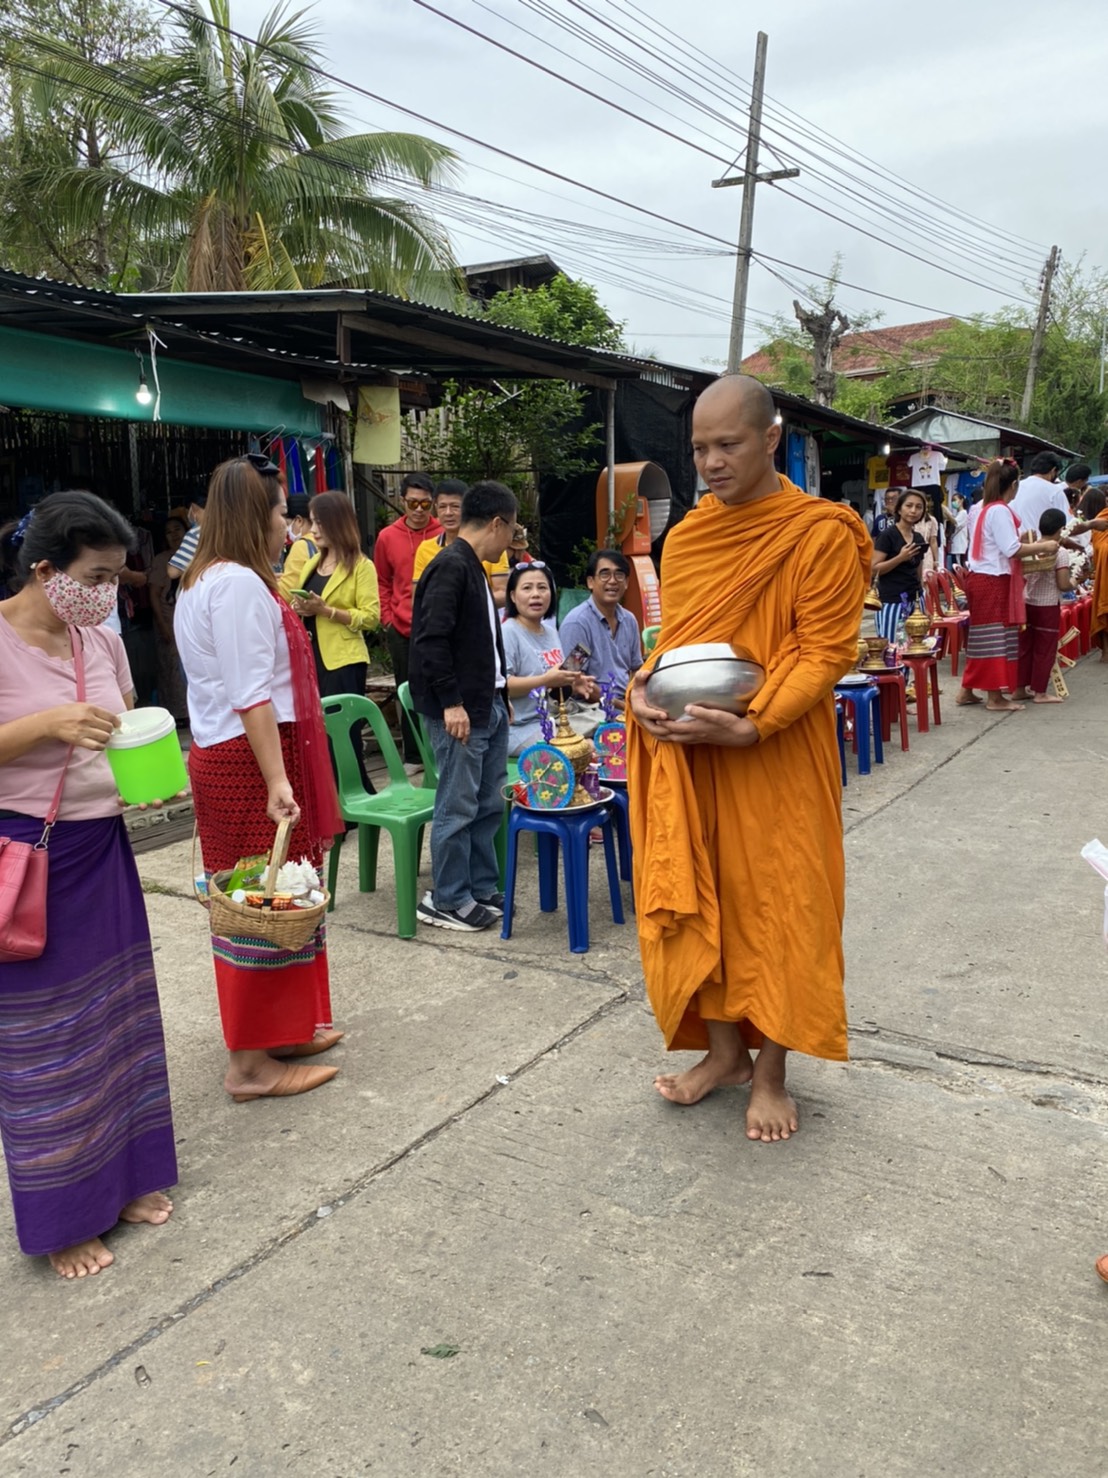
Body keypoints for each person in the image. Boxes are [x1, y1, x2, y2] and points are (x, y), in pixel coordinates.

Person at [627, 374, 870, 1143]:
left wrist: (754, 724)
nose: (711, 463)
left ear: (770, 440)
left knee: (785, 902)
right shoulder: (692, 536)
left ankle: (771, 1072)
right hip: (697, 750)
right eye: (700, 448)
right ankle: (725, 1053)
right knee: (710, 899)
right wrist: (641, 686)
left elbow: (825, 650)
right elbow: (675, 645)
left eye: (728, 444)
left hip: (776, 753)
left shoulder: (819, 532)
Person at [0, 493, 177, 1278]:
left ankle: (128, 1180)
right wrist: (47, 725)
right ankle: (65, 1218)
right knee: (48, 1044)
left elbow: (126, 726)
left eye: (114, 577)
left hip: (102, 850)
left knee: (118, 1020)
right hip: (30, 862)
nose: (109, 591)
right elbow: (59, 734)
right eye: (96, 575)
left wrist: (151, 781)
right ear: (45, 569)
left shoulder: (99, 640)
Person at [176, 459, 344, 1102]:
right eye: (280, 514)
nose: (288, 526)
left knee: (279, 897)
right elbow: (251, 695)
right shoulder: (241, 587)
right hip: (249, 762)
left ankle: (285, 1029)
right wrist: (278, 781)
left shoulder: (202, 580)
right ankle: (250, 1064)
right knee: (258, 904)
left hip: (237, 755)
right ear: (256, 517)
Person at [410, 480, 517, 933]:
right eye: (511, 530)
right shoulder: (450, 566)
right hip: (460, 710)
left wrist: (501, 691)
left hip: (486, 701)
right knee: (457, 804)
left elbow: (485, 642)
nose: (512, 540)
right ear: (496, 523)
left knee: (488, 801)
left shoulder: (474, 565)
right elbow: (430, 640)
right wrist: (451, 701)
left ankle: (478, 885)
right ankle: (447, 897)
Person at [956, 459, 1059, 712]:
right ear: (1013, 485)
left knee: (982, 638)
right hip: (993, 581)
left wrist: (1022, 540)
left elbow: (1000, 543)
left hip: (981, 578)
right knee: (996, 638)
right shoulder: (999, 510)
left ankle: (966, 690)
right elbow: (1011, 549)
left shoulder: (982, 508)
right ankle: (995, 698)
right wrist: (1044, 545)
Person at [373, 473, 441, 768]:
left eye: (425, 503)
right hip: (401, 626)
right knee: (408, 689)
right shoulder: (387, 536)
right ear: (402, 501)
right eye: (412, 502)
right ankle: (414, 754)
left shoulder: (444, 533)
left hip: (439, 625)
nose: (418, 509)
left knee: (441, 686)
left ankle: (440, 749)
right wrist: (387, 617)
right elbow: (382, 581)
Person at [501, 562, 600, 754]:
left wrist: (571, 683)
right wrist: (545, 681)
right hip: (518, 727)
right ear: (513, 596)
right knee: (583, 749)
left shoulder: (550, 631)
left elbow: (555, 684)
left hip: (551, 719)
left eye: (542, 587)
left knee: (607, 733)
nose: (536, 594)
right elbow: (503, 687)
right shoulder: (507, 632)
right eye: (527, 588)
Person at [558, 548, 644, 700]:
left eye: (619, 575)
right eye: (605, 574)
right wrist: (619, 706)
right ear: (590, 582)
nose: (612, 581)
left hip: (626, 703)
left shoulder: (629, 620)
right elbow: (574, 680)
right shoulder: (579, 623)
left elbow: (636, 668)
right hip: (591, 708)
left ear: (626, 583)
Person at [412, 479, 511, 607]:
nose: (448, 513)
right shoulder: (425, 549)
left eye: (455, 506)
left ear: (467, 508)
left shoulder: (490, 546)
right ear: (435, 508)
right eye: (442, 507)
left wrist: (461, 603)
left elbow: (503, 593)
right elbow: (418, 597)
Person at [1011, 508, 1070, 704]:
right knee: (1044, 649)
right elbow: (1063, 584)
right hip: (1047, 605)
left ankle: (1019, 688)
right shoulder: (1059, 552)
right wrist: (1075, 583)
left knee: (1025, 647)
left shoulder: (1030, 547)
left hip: (1027, 603)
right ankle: (1040, 692)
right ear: (1061, 529)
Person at [147, 513, 190, 724]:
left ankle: (191, 713)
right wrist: (163, 625)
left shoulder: (197, 555)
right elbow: (154, 594)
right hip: (167, 617)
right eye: (168, 532)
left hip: (188, 621)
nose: (174, 535)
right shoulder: (161, 560)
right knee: (171, 668)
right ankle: (177, 715)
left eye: (177, 530)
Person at [869, 489, 928, 643]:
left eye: (919, 507)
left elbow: (918, 571)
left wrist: (923, 598)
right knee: (893, 646)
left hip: (914, 599)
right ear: (899, 509)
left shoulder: (918, 537)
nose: (913, 511)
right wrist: (900, 558)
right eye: (909, 506)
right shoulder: (888, 535)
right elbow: (873, 569)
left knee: (913, 646)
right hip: (892, 601)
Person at [1010, 450, 1067, 535]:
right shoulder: (1054, 492)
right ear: (1053, 470)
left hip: (1017, 543)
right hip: (1042, 545)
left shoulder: (1015, 488)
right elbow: (1068, 526)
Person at [166, 486, 207, 584]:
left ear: (193, 508)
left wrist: (170, 562)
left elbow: (173, 572)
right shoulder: (228, 530)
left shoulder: (196, 534)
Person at [278, 493, 317, 588]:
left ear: (299, 521)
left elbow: (287, 591)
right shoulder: (323, 542)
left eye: (288, 524)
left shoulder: (301, 546)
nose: (287, 530)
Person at [945, 489, 969, 570]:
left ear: (961, 500)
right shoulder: (958, 514)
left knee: (959, 568)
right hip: (955, 545)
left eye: (955, 500)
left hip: (960, 546)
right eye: (952, 500)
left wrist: (947, 513)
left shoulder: (963, 513)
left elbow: (956, 523)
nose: (953, 502)